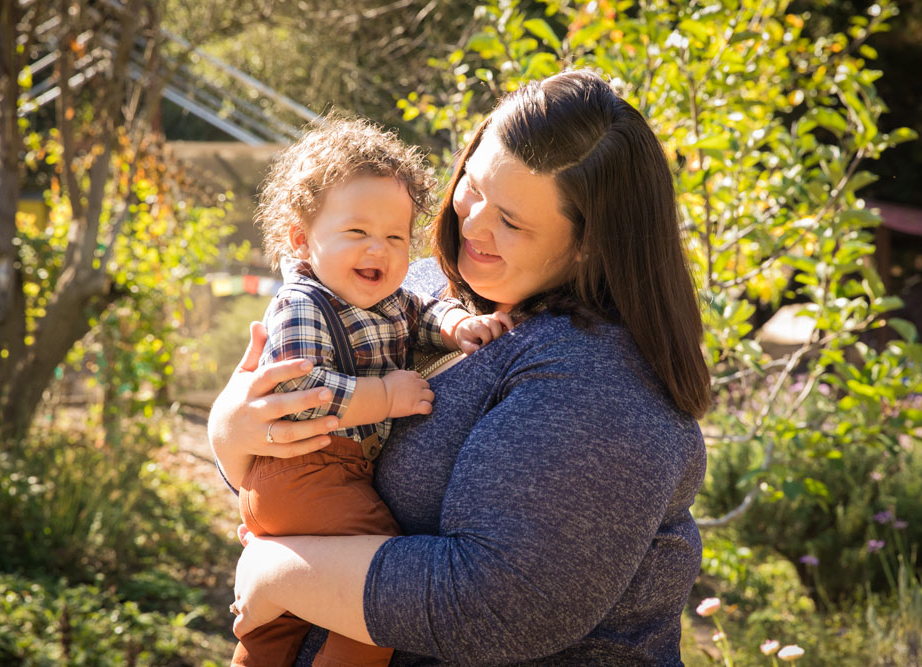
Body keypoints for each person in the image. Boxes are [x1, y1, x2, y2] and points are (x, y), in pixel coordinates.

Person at [210, 69, 713, 666]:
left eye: (513, 222)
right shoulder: (417, 287)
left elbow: (499, 610)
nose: (472, 225)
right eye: (474, 186)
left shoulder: (599, 384)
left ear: (588, 245)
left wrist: (282, 571)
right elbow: (312, 460)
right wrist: (232, 434)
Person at [231, 117, 512, 667]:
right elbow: (295, 383)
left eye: (394, 237)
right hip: (306, 472)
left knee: (274, 626)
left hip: (321, 477)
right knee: (380, 591)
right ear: (300, 240)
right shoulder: (303, 304)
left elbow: (425, 314)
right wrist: (381, 397)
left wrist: (457, 326)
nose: (377, 251)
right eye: (357, 233)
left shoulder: (390, 300)